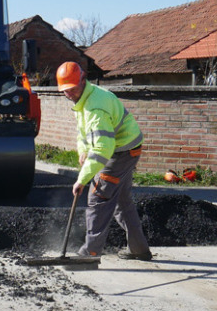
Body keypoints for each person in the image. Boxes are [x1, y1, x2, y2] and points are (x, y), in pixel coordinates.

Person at [57, 62, 152, 261]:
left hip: (120, 152)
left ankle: (90, 253)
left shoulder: (95, 107)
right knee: (121, 201)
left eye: (72, 89)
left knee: (99, 198)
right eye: (65, 91)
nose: (69, 94)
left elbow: (102, 149)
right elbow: (83, 131)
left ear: (83, 81)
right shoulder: (85, 99)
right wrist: (83, 149)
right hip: (126, 149)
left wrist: (82, 179)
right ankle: (139, 249)